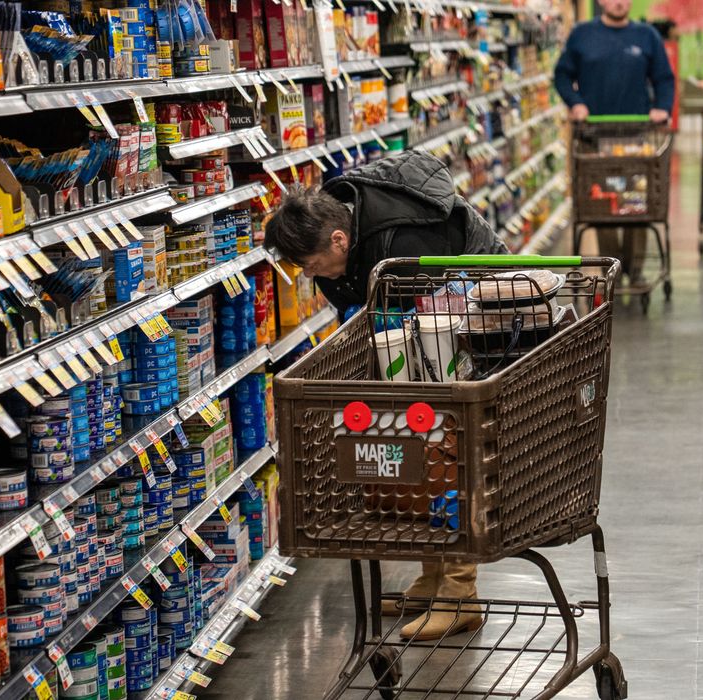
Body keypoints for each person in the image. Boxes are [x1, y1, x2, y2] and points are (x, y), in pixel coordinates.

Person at [263, 149, 506, 642]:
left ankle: (461, 592)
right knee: (422, 448)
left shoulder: (404, 239)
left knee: (446, 445)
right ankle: (434, 577)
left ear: (339, 238)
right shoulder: (346, 235)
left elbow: (443, 320)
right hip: (421, 333)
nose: (310, 276)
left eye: (312, 265)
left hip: (473, 326)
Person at [554, 0, 675, 285]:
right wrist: (575, 103)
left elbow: (664, 79)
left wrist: (663, 107)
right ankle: (613, 269)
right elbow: (562, 74)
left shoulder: (647, 36)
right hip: (593, 138)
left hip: (636, 137)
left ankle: (636, 270)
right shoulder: (582, 35)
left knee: (638, 201)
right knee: (601, 203)